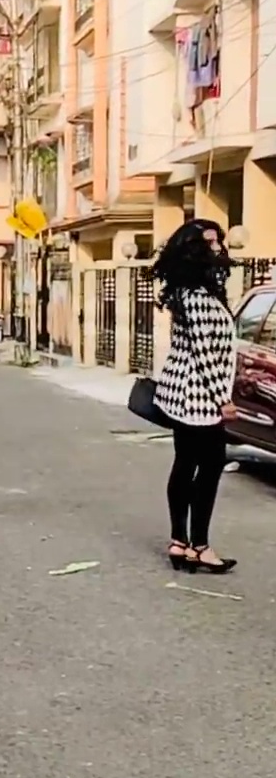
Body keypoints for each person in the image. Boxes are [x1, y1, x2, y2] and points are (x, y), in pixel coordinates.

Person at [152, 218, 238, 575]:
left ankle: (180, 541)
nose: (217, 247)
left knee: (186, 463)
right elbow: (205, 353)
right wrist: (223, 399)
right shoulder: (197, 298)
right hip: (197, 396)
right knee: (211, 464)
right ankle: (199, 545)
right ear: (192, 250)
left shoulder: (188, 292)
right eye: (209, 242)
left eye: (218, 241)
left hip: (183, 393)